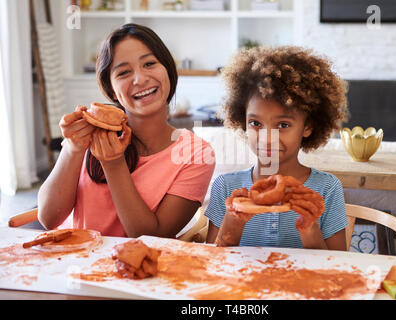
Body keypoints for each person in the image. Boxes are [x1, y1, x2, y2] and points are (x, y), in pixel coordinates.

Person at [38, 24, 215, 238]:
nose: (140, 79)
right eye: (123, 72)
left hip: (146, 269)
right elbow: (48, 218)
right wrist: (73, 149)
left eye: (149, 64)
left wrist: (113, 164)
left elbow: (151, 237)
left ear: (167, 69)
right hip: (80, 264)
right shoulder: (91, 135)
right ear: (111, 90)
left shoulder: (196, 154)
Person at [205, 46, 349, 250]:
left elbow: (338, 266)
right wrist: (234, 221)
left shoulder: (326, 188)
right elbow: (211, 263)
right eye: (256, 124)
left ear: (308, 126)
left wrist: (309, 228)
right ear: (242, 121)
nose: (267, 139)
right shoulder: (226, 188)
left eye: (282, 125)